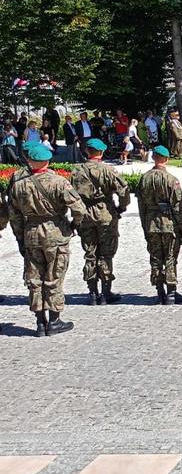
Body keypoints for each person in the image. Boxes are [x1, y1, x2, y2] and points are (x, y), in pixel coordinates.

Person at [8, 143, 86, 336]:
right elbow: (79, 209)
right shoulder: (59, 182)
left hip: (31, 233)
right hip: (55, 232)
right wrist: (74, 226)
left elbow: (14, 216)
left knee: (35, 279)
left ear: (29, 160)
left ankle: (40, 323)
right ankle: (54, 321)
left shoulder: (18, 185)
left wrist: (20, 237)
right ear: (48, 160)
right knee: (54, 277)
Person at [71, 138, 131, 306]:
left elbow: (71, 194)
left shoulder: (77, 171)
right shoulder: (107, 170)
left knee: (90, 252)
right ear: (101, 152)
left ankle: (92, 292)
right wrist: (122, 207)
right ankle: (105, 292)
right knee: (106, 253)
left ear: (87, 152)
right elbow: (123, 189)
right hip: (105, 212)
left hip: (85, 213)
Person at [137, 145, 182, 305]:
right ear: (166, 159)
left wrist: (145, 225)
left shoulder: (144, 178)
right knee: (171, 257)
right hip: (169, 224)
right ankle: (171, 292)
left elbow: (141, 206)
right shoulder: (171, 180)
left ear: (153, 158)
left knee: (156, 257)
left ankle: (159, 291)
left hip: (151, 223)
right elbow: (178, 207)